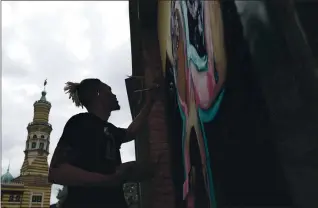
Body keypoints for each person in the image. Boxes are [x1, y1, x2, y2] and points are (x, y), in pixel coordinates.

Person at [48, 78, 158, 208]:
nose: (114, 94)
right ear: (98, 94)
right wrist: (109, 179)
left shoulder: (109, 130)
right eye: (109, 91)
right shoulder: (80, 122)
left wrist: (150, 102)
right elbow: (56, 172)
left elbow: (130, 132)